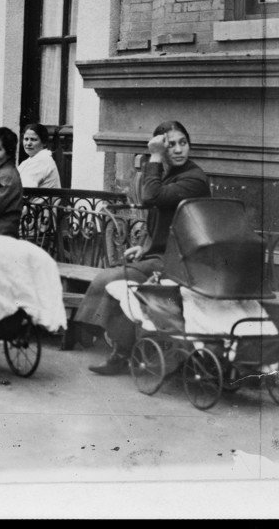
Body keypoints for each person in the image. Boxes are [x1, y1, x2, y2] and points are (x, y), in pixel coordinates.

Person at [76, 120, 211, 375]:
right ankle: (120, 348)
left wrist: (156, 156)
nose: (179, 149)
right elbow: (164, 219)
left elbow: (151, 197)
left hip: (181, 263)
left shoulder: (194, 179)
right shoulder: (171, 175)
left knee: (113, 278)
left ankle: (114, 347)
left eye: (183, 143)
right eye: (171, 145)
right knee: (114, 277)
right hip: (163, 255)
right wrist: (143, 246)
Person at [17, 123, 61, 189]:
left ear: (44, 143)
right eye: (26, 139)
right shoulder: (28, 161)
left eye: (33, 139)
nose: (28, 143)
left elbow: (24, 190)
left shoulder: (43, 160)